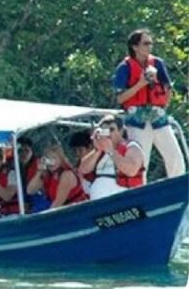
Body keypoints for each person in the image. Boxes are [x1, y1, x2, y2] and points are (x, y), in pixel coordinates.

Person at [112, 29, 185, 179]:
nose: (149, 47)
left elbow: (167, 88)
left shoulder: (157, 63)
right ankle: (142, 195)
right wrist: (140, 84)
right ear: (135, 46)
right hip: (136, 120)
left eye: (151, 43)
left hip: (158, 117)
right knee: (141, 160)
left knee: (175, 156)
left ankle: (180, 190)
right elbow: (120, 98)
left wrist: (163, 105)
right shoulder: (124, 67)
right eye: (145, 43)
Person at [83, 115, 145, 200]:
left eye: (111, 129)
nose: (108, 133)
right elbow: (83, 169)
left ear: (121, 131)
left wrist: (111, 151)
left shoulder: (131, 146)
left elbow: (131, 170)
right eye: (105, 130)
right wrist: (97, 150)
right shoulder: (101, 150)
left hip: (122, 200)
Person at [26, 143, 88, 209]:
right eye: (48, 158)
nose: (51, 161)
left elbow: (58, 202)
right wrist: (39, 172)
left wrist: (48, 217)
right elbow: (30, 190)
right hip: (64, 211)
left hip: (78, 209)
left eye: (54, 158)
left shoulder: (67, 175)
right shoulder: (48, 176)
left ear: (61, 159)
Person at [15, 136, 51, 213]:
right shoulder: (15, 167)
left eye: (26, 151)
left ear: (32, 151)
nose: (23, 154)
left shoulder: (39, 165)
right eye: (20, 151)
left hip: (41, 202)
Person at [68, 130, 95, 195]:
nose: (77, 154)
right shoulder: (78, 165)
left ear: (90, 147)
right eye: (75, 151)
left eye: (80, 150)